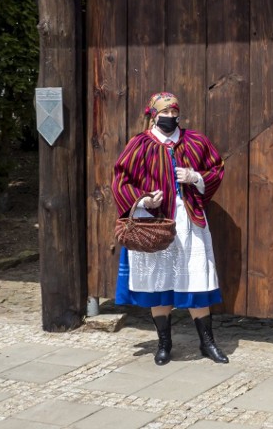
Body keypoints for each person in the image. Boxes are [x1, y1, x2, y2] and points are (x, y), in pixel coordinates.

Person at [112, 91, 229, 366]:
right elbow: (121, 180)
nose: (171, 119)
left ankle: (207, 343)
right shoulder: (139, 144)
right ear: (153, 115)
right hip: (154, 224)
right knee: (158, 282)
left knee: (196, 279)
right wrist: (143, 198)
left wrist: (195, 176)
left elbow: (217, 168)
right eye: (165, 115)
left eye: (175, 115)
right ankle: (164, 344)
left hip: (190, 220)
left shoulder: (195, 141)